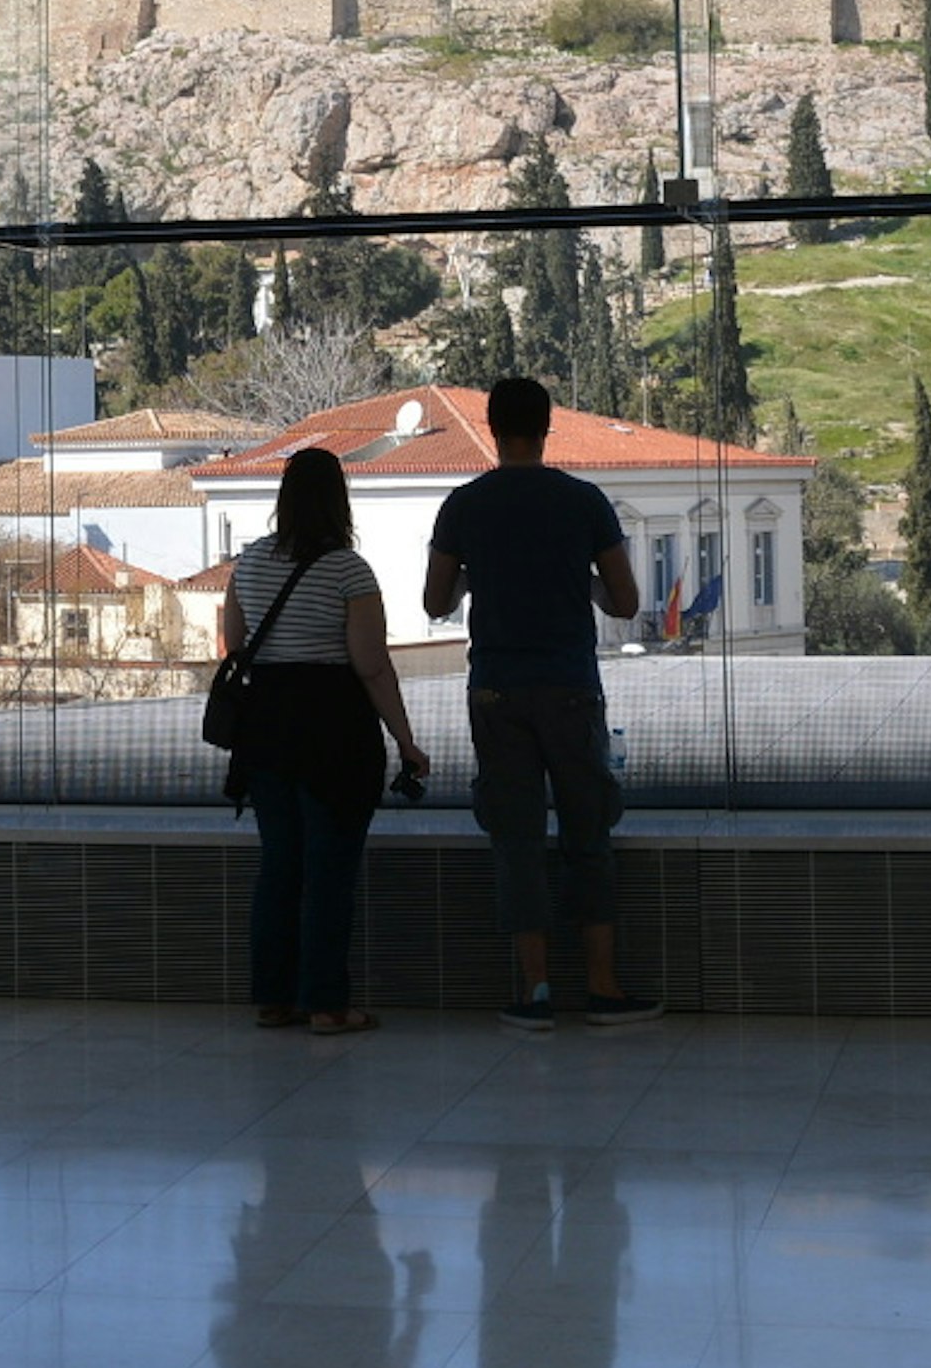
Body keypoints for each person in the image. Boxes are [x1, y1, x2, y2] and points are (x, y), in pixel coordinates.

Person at [424, 374, 663, 1030]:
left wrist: (483, 574)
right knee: (589, 833)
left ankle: (534, 991)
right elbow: (625, 601)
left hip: (496, 691)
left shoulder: (463, 506)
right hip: (569, 688)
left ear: (492, 430)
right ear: (546, 428)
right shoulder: (582, 502)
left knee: (516, 839)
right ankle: (604, 986)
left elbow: (435, 603)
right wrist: (574, 577)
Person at [222, 445, 427, 1033]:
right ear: (340, 502)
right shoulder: (348, 571)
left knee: (280, 867)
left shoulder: (250, 562)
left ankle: (274, 998)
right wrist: (407, 741)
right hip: (334, 734)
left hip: (265, 732)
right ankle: (328, 1006)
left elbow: (235, 643)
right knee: (329, 871)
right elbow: (370, 665)